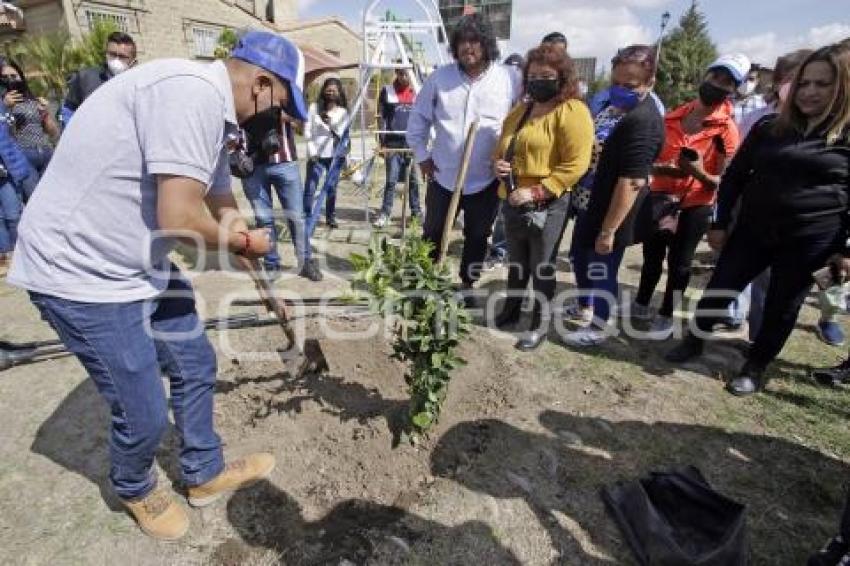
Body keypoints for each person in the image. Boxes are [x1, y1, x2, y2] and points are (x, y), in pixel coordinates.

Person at [7, 30, 310, 539]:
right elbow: (179, 216)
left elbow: (216, 193)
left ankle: (203, 473)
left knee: (193, 362)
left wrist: (236, 228)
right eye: (281, 103)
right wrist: (243, 244)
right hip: (83, 270)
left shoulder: (213, 111)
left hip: (135, 257)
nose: (279, 118)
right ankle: (135, 486)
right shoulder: (188, 94)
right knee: (143, 409)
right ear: (260, 84)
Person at [666, 44, 850, 396]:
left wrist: (845, 249)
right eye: (805, 83)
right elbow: (734, 176)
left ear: (840, 88)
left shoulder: (846, 138)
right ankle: (694, 342)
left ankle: (755, 366)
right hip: (752, 230)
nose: (810, 91)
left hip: (810, 241)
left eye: (822, 84)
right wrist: (720, 224)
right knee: (721, 287)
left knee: (782, 306)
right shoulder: (769, 128)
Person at [406, 12, 520, 306]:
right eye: (462, 42)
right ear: (455, 46)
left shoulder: (508, 79)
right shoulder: (440, 78)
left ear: (486, 45)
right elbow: (418, 120)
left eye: (475, 42)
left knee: (478, 234)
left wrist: (510, 159)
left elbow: (522, 122)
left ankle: (468, 284)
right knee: (432, 231)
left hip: (485, 179)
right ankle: (426, 280)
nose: (468, 48)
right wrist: (422, 156)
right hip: (443, 175)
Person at [631, 54, 746, 341]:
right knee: (651, 255)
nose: (717, 85)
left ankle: (667, 314)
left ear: (734, 90)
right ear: (704, 76)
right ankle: (642, 303)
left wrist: (697, 173)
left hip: (695, 205)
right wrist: (663, 169)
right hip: (660, 197)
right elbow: (651, 160)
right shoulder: (673, 117)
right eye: (714, 77)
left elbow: (727, 180)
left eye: (727, 82)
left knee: (680, 263)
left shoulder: (727, 131)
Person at [491, 43, 593, 350]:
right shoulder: (521, 110)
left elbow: (576, 165)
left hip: (547, 201)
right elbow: (502, 147)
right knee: (517, 261)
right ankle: (511, 309)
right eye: (533, 75)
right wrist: (498, 164)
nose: (538, 80)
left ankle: (539, 324)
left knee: (543, 265)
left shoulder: (573, 111)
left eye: (546, 75)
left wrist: (536, 191)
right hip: (512, 198)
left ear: (562, 79)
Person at [563, 45, 665, 346]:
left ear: (650, 83)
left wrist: (609, 230)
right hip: (587, 201)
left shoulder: (644, 121)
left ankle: (598, 326)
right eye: (616, 83)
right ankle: (585, 305)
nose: (620, 90)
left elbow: (632, 181)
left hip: (613, 211)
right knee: (580, 257)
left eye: (629, 85)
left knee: (602, 267)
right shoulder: (611, 108)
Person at [723, 49, 813, 342]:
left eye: (806, 80)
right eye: (792, 78)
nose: (800, 87)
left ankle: (758, 339)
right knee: (734, 263)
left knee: (770, 281)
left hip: (791, 217)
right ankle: (732, 312)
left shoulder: (824, 127)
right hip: (749, 204)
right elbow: (736, 161)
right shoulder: (757, 116)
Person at [240, 74, 321, 281]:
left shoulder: (286, 92)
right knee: (263, 219)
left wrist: (285, 116)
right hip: (252, 166)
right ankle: (271, 264)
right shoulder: (239, 91)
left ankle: (305, 262)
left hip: (285, 162)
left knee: (296, 216)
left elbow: (302, 124)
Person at [485, 52, 526, 270]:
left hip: (528, 172)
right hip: (502, 165)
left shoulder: (533, 103)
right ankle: (499, 250)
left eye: (518, 70)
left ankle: (519, 255)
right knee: (501, 212)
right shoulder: (504, 99)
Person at [0, 57, 59, 200]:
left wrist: (45, 113)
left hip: (46, 152)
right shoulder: (2, 104)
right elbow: (5, 136)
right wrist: (4, 107)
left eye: (14, 76)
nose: (11, 81)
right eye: (5, 77)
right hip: (24, 156)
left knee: (54, 198)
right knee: (35, 201)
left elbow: (54, 132)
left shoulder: (33, 100)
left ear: (21, 76)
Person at [374, 68, 420, 228]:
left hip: (412, 143)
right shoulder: (387, 91)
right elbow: (381, 117)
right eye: (400, 73)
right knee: (391, 180)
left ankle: (416, 214)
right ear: (397, 73)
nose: (404, 76)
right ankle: (385, 213)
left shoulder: (418, 91)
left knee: (414, 181)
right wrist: (381, 142)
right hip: (393, 142)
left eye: (407, 73)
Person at [61, 32, 137, 125]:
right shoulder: (85, 77)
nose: (116, 60)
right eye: (112, 54)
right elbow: (68, 109)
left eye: (122, 56)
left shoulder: (138, 86)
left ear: (133, 62)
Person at [304, 77, 349, 230]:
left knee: (331, 188)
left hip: (334, 155)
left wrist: (331, 123)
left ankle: (330, 217)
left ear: (339, 92)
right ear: (323, 91)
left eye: (334, 90)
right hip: (316, 154)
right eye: (328, 89)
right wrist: (312, 151)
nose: (331, 92)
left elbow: (342, 133)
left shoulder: (343, 112)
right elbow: (307, 130)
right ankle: (307, 216)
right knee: (311, 187)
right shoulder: (314, 108)